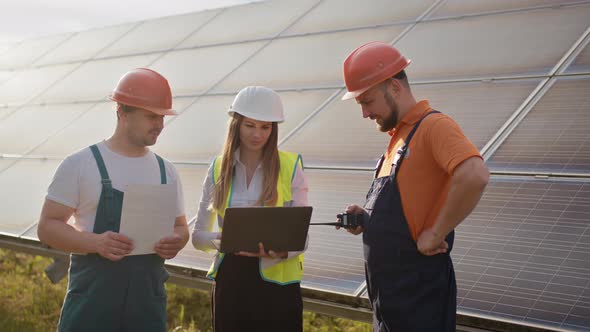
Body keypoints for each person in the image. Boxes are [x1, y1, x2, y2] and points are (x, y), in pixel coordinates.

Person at [339, 42, 489, 331]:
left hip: (419, 305)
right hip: (389, 307)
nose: (365, 114)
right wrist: (366, 217)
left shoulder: (434, 126)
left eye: (367, 102)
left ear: (394, 87)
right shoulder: (398, 138)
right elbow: (407, 205)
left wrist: (435, 232)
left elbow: (474, 174)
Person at [37, 68, 189, 332]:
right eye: (152, 116)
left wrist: (177, 241)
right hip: (91, 309)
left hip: (147, 310)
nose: (160, 125)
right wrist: (95, 242)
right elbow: (48, 227)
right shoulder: (81, 165)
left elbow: (180, 227)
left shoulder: (167, 172)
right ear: (122, 113)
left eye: (162, 117)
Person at [191, 86, 308, 332]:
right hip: (232, 285)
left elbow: (302, 238)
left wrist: (278, 251)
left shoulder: (291, 166)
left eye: (266, 127)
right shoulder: (217, 168)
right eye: (250, 125)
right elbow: (199, 237)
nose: (258, 134)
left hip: (278, 289)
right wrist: (224, 239)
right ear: (236, 124)